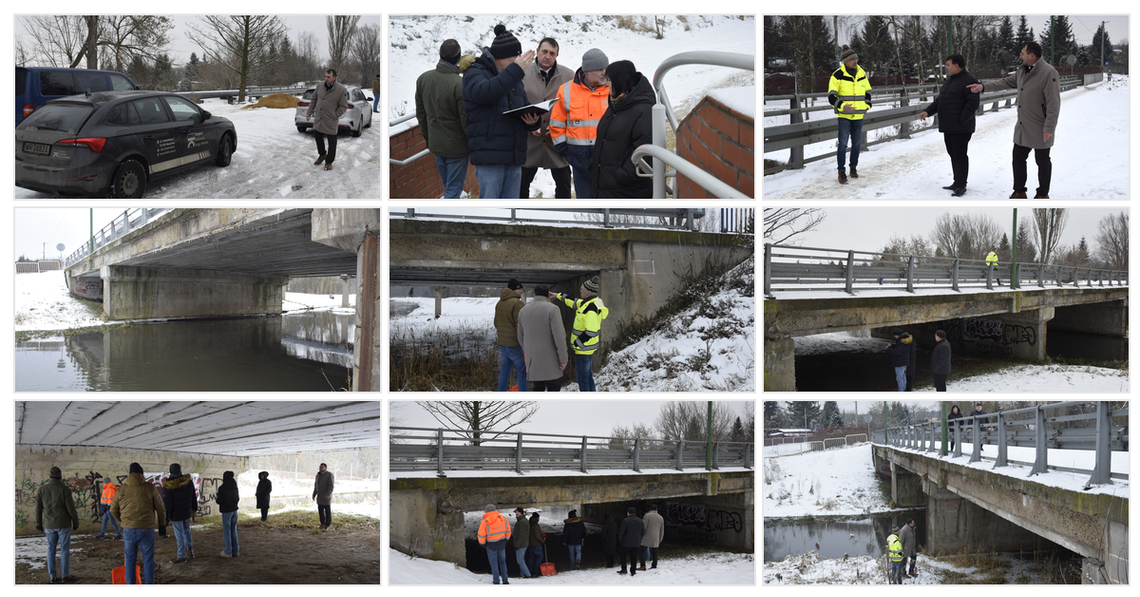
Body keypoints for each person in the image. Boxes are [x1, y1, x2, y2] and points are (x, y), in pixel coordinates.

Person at [967, 42, 1060, 198]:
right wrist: (983, 87)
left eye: (1022, 53)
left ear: (1032, 55)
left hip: (1040, 127)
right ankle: (1019, 191)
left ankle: (1043, 194)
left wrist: (1049, 127)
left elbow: (1054, 103)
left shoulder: (1048, 73)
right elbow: (1005, 82)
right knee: (1018, 157)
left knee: (1042, 161)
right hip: (1023, 126)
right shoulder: (1022, 71)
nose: (1020, 56)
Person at [462, 24, 540, 198]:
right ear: (501, 56)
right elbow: (487, 93)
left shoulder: (513, 76)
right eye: (515, 56)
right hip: (490, 155)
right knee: (491, 212)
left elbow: (523, 105)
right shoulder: (475, 72)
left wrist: (533, 121)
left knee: (510, 212)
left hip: (513, 155)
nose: (519, 60)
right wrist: (515, 71)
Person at [587, 59, 656, 198]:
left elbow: (645, 152)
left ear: (620, 81)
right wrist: (595, 164)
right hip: (605, 185)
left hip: (625, 190)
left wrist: (622, 176)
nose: (607, 85)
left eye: (609, 80)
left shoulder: (644, 110)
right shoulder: (616, 104)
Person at [917, 54, 980, 197]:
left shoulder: (969, 80)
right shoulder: (950, 81)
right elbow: (941, 100)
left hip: (961, 127)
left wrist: (961, 120)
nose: (946, 67)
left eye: (948, 65)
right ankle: (956, 181)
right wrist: (928, 111)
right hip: (949, 126)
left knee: (960, 155)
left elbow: (973, 103)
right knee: (953, 154)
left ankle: (961, 185)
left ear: (956, 66)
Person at [550, 48, 609, 198]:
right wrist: (566, 152)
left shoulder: (613, 89)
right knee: (586, 203)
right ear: (587, 71)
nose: (604, 73)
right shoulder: (566, 90)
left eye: (605, 69)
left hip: (608, 159)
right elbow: (557, 124)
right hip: (579, 160)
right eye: (599, 69)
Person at [415, 39, 470, 198]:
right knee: (453, 190)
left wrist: (428, 138)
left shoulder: (423, 79)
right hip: (457, 148)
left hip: (436, 144)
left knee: (448, 186)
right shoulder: (459, 84)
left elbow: (421, 114)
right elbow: (466, 120)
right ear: (458, 57)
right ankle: (449, 219)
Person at [520, 37, 574, 197]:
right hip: (529, 141)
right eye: (544, 52)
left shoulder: (569, 76)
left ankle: (563, 217)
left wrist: (562, 125)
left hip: (557, 141)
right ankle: (520, 217)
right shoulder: (522, 74)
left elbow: (574, 107)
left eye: (552, 53)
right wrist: (529, 124)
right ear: (537, 52)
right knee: (521, 184)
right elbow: (515, 104)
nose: (547, 56)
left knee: (564, 183)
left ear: (557, 55)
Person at [110, 462, 165, 584]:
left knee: (130, 559)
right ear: (142, 474)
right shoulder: (150, 488)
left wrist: (122, 522)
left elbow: (113, 509)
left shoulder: (121, 489)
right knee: (148, 559)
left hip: (128, 530)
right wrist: (162, 525)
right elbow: (160, 508)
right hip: (146, 529)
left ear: (129, 474)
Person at [552, 276, 608, 391]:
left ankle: (586, 403)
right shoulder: (587, 303)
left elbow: (591, 332)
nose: (580, 291)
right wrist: (558, 296)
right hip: (585, 349)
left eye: (582, 290)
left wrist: (578, 343)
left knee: (582, 378)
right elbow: (574, 301)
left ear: (587, 292)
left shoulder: (591, 309)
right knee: (587, 376)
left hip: (584, 349)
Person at [828, 47, 872, 184]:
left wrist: (868, 105)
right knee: (842, 144)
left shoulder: (862, 73)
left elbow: (868, 92)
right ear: (846, 61)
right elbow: (831, 96)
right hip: (844, 116)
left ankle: (853, 168)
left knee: (857, 144)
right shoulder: (837, 75)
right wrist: (842, 106)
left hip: (859, 116)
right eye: (852, 59)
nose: (855, 61)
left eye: (856, 59)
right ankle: (841, 171)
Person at [516, 285, 568, 391]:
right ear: (548, 295)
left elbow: (520, 336)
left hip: (533, 360)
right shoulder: (553, 309)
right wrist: (563, 359)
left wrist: (528, 352)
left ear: (534, 294)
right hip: (551, 361)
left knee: (538, 389)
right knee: (553, 389)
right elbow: (559, 336)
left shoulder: (523, 310)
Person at [35, 466, 79, 583]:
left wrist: (38, 523)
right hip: (64, 524)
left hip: (49, 525)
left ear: (49, 477)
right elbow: (71, 508)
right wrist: (75, 521)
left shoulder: (42, 490)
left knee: (51, 549)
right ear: (61, 477)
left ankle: (53, 577)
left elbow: (38, 509)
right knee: (64, 550)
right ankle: (65, 575)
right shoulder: (65, 489)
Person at [306, 69, 349, 171]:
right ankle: (322, 155)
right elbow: (314, 99)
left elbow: (343, 106)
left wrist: (335, 115)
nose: (326, 79)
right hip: (319, 118)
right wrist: (309, 111)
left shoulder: (341, 90)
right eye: (325, 76)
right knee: (317, 136)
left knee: (332, 142)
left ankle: (329, 162)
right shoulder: (320, 85)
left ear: (335, 78)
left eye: (328, 77)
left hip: (331, 120)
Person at [495, 278, 527, 391]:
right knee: (522, 371)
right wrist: (524, 342)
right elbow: (520, 325)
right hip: (514, 343)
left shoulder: (499, 303)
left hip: (503, 343)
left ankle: (501, 393)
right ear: (514, 290)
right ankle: (524, 395)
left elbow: (496, 323)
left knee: (505, 369)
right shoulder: (517, 303)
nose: (522, 291)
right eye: (520, 289)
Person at [163, 463, 199, 564]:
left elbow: (168, 503)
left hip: (176, 514)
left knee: (179, 534)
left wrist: (166, 516)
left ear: (170, 471)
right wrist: (194, 508)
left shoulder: (169, 485)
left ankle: (181, 556)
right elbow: (193, 496)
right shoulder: (188, 481)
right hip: (187, 512)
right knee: (187, 531)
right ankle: (190, 551)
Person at [478, 504, 511, 584]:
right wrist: (505, 540)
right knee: (503, 563)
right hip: (502, 545)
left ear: (487, 511)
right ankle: (505, 580)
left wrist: (483, 544)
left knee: (494, 565)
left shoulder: (484, 522)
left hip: (491, 546)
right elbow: (508, 531)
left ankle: (496, 581)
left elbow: (481, 535)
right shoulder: (504, 519)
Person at [216, 471, 239, 558]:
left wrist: (217, 497)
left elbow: (220, 501)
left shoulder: (222, 488)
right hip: (234, 510)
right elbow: (237, 499)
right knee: (233, 531)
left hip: (226, 511)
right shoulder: (235, 487)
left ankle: (228, 552)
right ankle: (235, 551)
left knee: (227, 531)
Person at [616, 506, 644, 576]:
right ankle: (633, 571)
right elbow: (643, 531)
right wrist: (639, 538)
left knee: (622, 554)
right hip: (635, 543)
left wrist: (620, 539)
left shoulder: (625, 521)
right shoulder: (640, 521)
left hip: (626, 543)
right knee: (633, 557)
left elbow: (622, 531)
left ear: (628, 513)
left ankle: (624, 569)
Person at [884, 328, 915, 392]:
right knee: (903, 377)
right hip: (905, 363)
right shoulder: (905, 340)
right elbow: (900, 348)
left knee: (899, 378)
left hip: (900, 363)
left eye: (894, 335)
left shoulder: (901, 341)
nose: (894, 336)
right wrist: (892, 345)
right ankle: (903, 389)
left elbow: (897, 352)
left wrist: (888, 349)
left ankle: (901, 391)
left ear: (896, 335)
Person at [638, 504, 664, 571]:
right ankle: (654, 565)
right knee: (655, 551)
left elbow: (643, 527)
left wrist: (640, 536)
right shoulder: (660, 517)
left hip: (647, 536)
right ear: (657, 510)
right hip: (656, 536)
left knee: (642, 550)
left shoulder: (647, 516)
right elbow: (662, 529)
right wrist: (660, 538)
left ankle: (643, 565)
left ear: (650, 509)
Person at [313, 463, 335, 531]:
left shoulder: (329, 475)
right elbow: (316, 486)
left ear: (325, 468)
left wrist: (328, 494)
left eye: (322, 467)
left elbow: (331, 486)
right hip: (320, 496)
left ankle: (327, 525)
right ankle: (322, 523)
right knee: (320, 511)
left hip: (326, 497)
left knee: (327, 511)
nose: (320, 468)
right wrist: (314, 494)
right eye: (320, 467)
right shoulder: (318, 475)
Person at [511, 507, 532, 578]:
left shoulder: (522, 522)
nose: (516, 513)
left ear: (521, 513)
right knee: (521, 559)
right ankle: (522, 573)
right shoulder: (522, 520)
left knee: (520, 561)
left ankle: (528, 574)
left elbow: (521, 535)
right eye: (516, 512)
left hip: (521, 545)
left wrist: (517, 545)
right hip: (523, 544)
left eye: (518, 512)